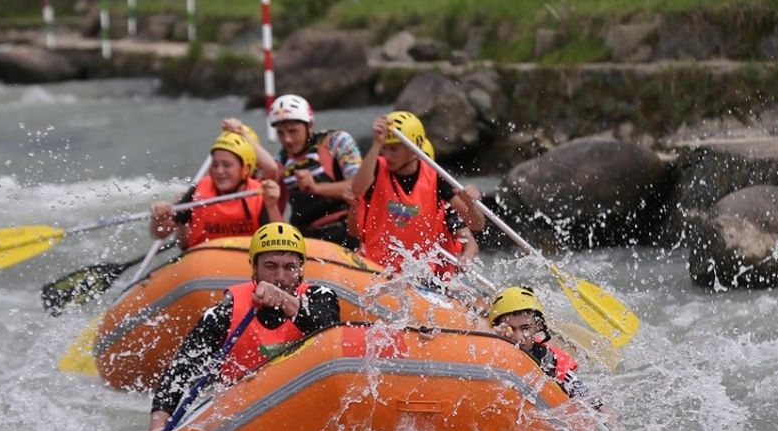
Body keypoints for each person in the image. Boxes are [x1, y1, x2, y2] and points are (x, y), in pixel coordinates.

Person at [144, 223, 341, 431]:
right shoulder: (224, 313)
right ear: (254, 268)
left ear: (301, 269)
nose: (280, 276)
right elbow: (178, 374)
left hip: (305, 409)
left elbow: (328, 330)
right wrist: (158, 428)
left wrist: (284, 301)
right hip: (245, 421)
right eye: (270, 266)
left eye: (289, 267)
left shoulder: (319, 297)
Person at [349, 110, 485, 276]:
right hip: (374, 268)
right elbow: (357, 189)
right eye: (385, 149)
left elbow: (477, 225)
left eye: (394, 149)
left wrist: (470, 203)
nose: (388, 155)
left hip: (416, 275)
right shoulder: (376, 168)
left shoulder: (435, 178)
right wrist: (376, 143)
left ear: (414, 148)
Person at [241, 94, 364, 249]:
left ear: (310, 126)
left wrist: (316, 188)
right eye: (280, 133)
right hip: (305, 238)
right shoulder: (279, 161)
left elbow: (361, 187)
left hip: (344, 230)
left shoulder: (338, 141)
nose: (287, 140)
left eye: (293, 131)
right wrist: (242, 135)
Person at [149, 129, 283, 250]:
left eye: (226, 165)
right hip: (201, 265)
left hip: (245, 264)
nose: (219, 171)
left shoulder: (259, 194)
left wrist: (272, 206)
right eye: (215, 165)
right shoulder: (199, 190)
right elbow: (160, 233)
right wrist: (160, 219)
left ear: (245, 169)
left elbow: (281, 241)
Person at [487, 286, 598, 407]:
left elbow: (595, 404)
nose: (518, 338)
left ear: (538, 326)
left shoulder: (551, 362)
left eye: (526, 328)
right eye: (510, 329)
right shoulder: (486, 348)